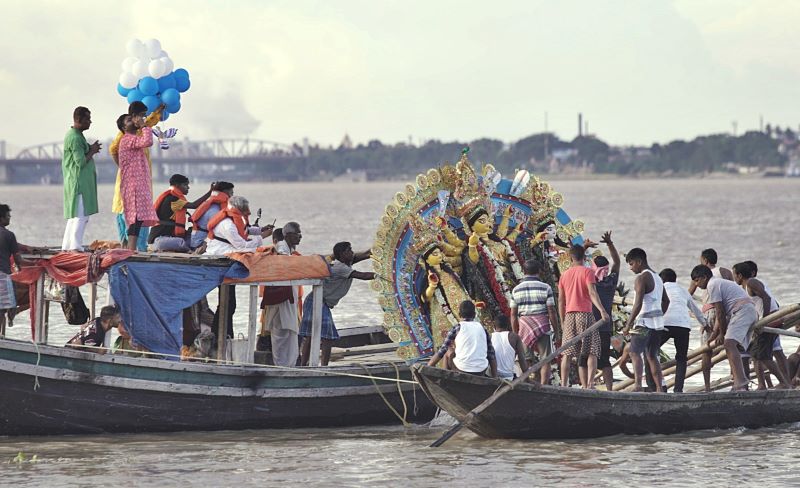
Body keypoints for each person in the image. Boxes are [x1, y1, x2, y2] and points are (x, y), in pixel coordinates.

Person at [299, 242, 374, 366]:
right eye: (349, 250)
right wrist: (382, 276)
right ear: (342, 254)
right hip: (317, 301)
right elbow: (363, 276)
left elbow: (365, 254)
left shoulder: (346, 263)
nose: (352, 253)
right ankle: (322, 366)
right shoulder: (341, 268)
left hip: (319, 301)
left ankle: (305, 364)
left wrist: (379, 250)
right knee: (325, 337)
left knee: (311, 336)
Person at [691, 264, 757, 391]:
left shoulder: (712, 285)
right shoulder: (716, 283)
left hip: (743, 311)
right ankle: (739, 381)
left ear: (705, 277)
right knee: (730, 345)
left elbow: (720, 313)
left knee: (729, 344)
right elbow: (720, 314)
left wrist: (722, 334)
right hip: (742, 311)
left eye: (697, 280)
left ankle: (741, 381)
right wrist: (715, 334)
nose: (696, 285)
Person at [109, 102, 162, 251]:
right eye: (129, 121)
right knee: (134, 218)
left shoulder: (133, 136)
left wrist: (153, 116)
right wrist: (144, 126)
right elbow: (148, 140)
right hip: (133, 185)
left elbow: (146, 131)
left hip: (138, 184)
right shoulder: (127, 138)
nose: (134, 121)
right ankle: (130, 250)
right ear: (124, 127)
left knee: (138, 218)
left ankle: (131, 250)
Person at [557, 244, 609, 388]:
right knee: (592, 349)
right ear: (584, 257)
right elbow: (592, 293)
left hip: (569, 316)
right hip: (585, 314)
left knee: (566, 352)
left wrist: (562, 321)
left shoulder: (564, 275)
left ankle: (563, 384)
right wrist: (603, 311)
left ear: (570, 257)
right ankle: (590, 384)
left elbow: (561, 301)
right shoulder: (588, 272)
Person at [732, 262, 789, 389]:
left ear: (740, 275)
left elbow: (767, 298)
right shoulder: (745, 288)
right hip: (762, 323)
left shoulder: (752, 282)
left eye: (734, 275)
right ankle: (762, 385)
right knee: (755, 354)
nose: (734, 278)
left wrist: (765, 320)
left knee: (763, 356)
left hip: (771, 321)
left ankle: (784, 382)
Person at [688, 248, 735, 392]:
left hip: (710, 312)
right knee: (729, 346)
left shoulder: (700, 275)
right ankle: (735, 378)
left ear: (705, 261)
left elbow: (688, 293)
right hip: (727, 312)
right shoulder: (725, 272)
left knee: (706, 352)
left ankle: (707, 386)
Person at [623, 248, 669, 393]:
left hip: (643, 323)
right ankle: (659, 388)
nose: (630, 268)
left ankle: (637, 385)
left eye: (631, 264)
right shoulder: (658, 277)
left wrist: (629, 324)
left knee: (634, 353)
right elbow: (666, 301)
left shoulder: (641, 278)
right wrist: (659, 316)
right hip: (657, 324)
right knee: (652, 356)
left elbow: (637, 304)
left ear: (639, 261)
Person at [659, 268, 706, 393]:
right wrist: (705, 324)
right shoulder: (683, 290)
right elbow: (696, 310)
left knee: (651, 353)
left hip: (665, 323)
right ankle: (678, 389)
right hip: (683, 326)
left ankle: (660, 386)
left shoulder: (661, 288)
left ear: (661, 280)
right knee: (681, 358)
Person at [510, 259, 556, 384]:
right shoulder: (546, 288)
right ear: (539, 272)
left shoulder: (516, 290)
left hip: (524, 326)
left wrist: (516, 333)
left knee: (525, 358)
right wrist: (557, 330)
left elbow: (513, 314)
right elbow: (551, 310)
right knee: (545, 358)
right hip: (543, 324)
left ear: (524, 272)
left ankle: (526, 383)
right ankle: (543, 385)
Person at [0, 204, 44, 336]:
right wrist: (38, 265)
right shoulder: (8, 235)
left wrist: (27, 248)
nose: (9, 219)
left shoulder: (7, 237)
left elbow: (15, 246)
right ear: (1, 218)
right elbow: (19, 261)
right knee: (2, 310)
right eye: (8, 216)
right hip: (2, 277)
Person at [585, 231, 620, 391]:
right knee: (604, 360)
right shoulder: (611, 280)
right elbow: (617, 262)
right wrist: (610, 243)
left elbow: (576, 262)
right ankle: (610, 389)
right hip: (605, 326)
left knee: (586, 358)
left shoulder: (590, 281)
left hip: (591, 325)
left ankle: (588, 386)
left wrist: (584, 247)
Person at [61, 106, 100, 251]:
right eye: (87, 119)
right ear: (78, 120)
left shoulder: (76, 135)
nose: (90, 122)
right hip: (78, 183)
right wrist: (93, 151)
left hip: (77, 181)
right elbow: (81, 162)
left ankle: (67, 246)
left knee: (75, 216)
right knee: (81, 217)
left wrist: (90, 148)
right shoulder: (75, 137)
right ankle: (75, 247)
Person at [263, 221, 302, 367]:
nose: (300, 238)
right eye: (298, 234)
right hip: (280, 300)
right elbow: (285, 263)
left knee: (290, 333)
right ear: (288, 235)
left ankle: (289, 365)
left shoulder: (290, 250)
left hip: (288, 300)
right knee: (280, 334)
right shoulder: (281, 248)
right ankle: (281, 366)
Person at [427, 300, 497, 377]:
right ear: (474, 314)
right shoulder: (482, 328)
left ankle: (445, 378)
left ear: (460, 315)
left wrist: (428, 367)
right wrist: (495, 377)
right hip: (481, 371)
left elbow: (442, 350)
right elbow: (491, 354)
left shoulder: (457, 327)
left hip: (461, 369)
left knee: (448, 350)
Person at [148, 174, 213, 252]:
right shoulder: (173, 199)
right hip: (159, 239)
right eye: (185, 185)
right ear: (177, 185)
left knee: (196, 240)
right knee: (180, 242)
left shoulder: (175, 198)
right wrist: (210, 192)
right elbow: (194, 205)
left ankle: (191, 248)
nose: (188, 187)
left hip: (173, 237)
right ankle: (191, 251)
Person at [189, 181, 235, 249]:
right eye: (231, 192)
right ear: (225, 192)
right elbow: (221, 230)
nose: (233, 195)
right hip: (199, 244)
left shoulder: (212, 205)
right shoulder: (215, 210)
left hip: (197, 241)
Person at [491, 315, 529, 381]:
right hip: (509, 377)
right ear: (509, 326)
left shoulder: (489, 336)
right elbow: (522, 359)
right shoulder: (514, 337)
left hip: (493, 376)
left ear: (494, 326)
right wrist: (527, 379)